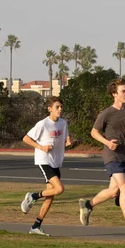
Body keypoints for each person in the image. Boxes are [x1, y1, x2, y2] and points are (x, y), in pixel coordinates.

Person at [78, 78, 125, 240]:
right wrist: (107, 142)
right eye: (123, 91)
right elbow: (94, 132)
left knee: (113, 191)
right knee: (124, 188)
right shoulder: (106, 113)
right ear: (114, 94)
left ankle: (88, 205)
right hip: (112, 156)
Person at [21, 96, 71, 236]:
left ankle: (36, 226)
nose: (60, 109)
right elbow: (26, 138)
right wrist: (41, 147)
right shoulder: (43, 124)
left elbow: (65, 137)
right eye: (57, 107)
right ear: (49, 109)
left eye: (61, 107)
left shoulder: (63, 123)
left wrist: (68, 141)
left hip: (56, 161)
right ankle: (33, 196)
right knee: (59, 189)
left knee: (51, 195)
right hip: (44, 160)